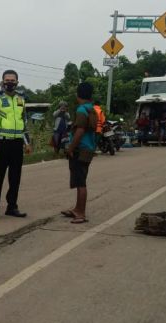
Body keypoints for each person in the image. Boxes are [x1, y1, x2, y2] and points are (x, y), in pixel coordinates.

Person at [0, 70, 32, 220]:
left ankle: (12, 206)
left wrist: (27, 142)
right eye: (7, 80)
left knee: (15, 177)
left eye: (13, 80)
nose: (10, 82)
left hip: (17, 143)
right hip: (1, 142)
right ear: (2, 81)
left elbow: (23, 121)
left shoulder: (21, 99)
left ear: (17, 82)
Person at [61, 82, 97, 224]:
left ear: (78, 94)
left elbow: (80, 131)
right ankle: (77, 208)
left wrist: (70, 148)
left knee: (80, 182)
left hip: (80, 149)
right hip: (88, 148)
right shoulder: (91, 109)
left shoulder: (82, 110)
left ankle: (81, 213)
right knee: (80, 179)